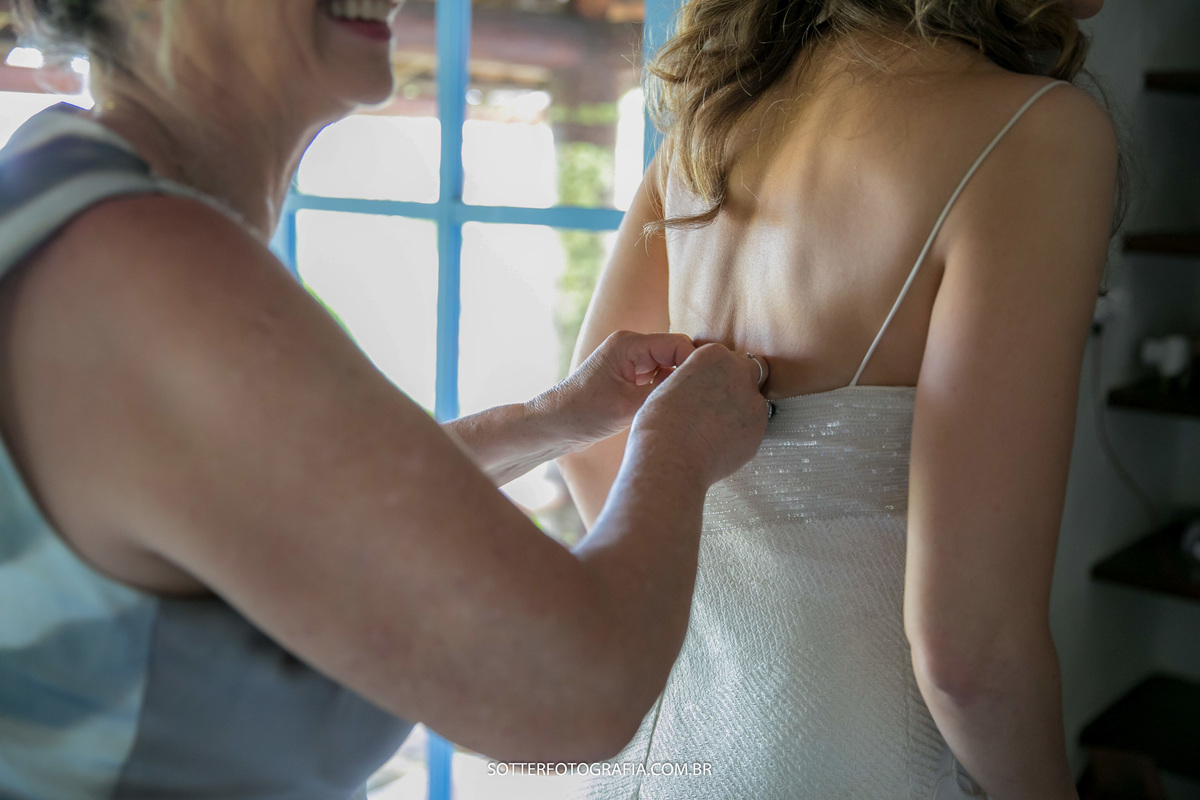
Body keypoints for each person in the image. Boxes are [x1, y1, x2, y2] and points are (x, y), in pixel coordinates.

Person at [0, 1, 773, 797]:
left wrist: (556, 420)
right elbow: (576, 692)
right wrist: (675, 448)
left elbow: (299, 506)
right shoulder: (146, 269)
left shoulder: (63, 200)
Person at [559, 0, 1118, 798]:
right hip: (855, 758)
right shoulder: (1038, 133)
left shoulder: (709, 128)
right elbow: (972, 656)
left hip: (663, 748)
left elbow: (591, 444)